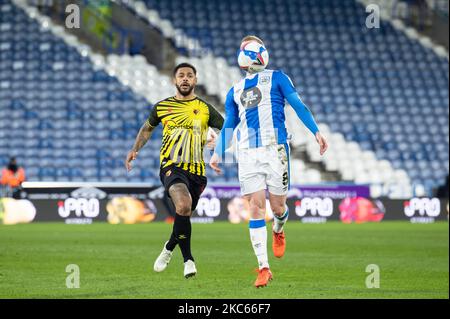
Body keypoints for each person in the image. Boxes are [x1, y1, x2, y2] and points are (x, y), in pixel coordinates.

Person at [209, 35, 328, 288]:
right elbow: (230, 123)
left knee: (277, 208)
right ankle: (264, 267)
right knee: (255, 207)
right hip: (248, 153)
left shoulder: (278, 78)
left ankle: (278, 228)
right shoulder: (235, 90)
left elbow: (297, 104)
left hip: (276, 149)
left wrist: (315, 131)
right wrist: (219, 151)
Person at [125, 63, 224, 278]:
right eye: (181, 76)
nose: (185, 79)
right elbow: (147, 128)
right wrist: (135, 149)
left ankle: (169, 247)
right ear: (174, 80)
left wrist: (219, 145)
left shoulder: (206, 109)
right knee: (183, 204)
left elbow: (227, 128)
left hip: (197, 172)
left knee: (184, 213)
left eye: (190, 75)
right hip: (171, 167)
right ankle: (188, 260)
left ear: (195, 80)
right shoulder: (162, 107)